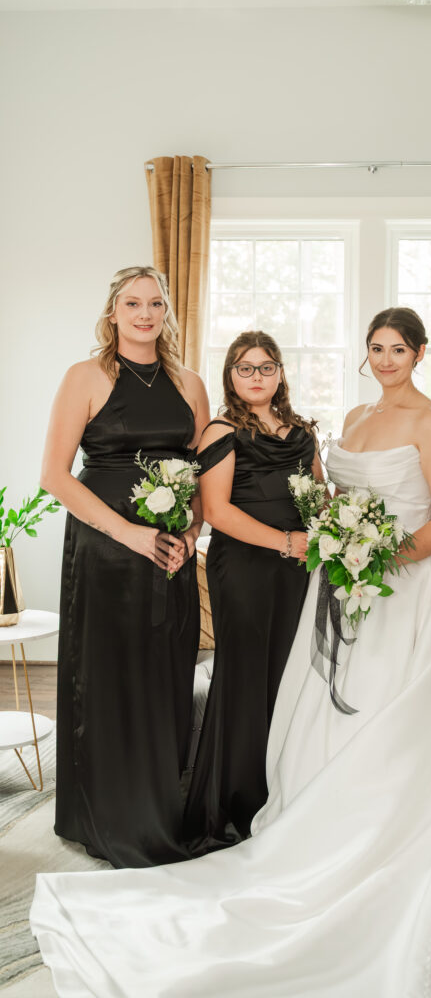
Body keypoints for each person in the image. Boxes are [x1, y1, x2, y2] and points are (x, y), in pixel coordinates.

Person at [30, 308, 431, 996]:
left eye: (398, 347)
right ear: (366, 355)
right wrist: (343, 546)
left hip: (408, 591)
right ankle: (328, 834)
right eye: (376, 347)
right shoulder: (356, 416)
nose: (387, 357)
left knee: (414, 726)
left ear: (419, 353)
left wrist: (384, 558)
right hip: (344, 587)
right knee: (336, 717)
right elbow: (330, 499)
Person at [41, 265, 210, 868]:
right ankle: (102, 814)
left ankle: (159, 806)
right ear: (113, 312)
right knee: (107, 676)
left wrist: (190, 529)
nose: (144, 314)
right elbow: (55, 475)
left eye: (155, 304)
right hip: (105, 548)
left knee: (166, 673)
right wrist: (130, 535)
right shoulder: (84, 377)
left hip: (170, 550)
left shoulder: (189, 383)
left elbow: (200, 474)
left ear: (167, 313)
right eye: (132, 303)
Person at [184, 330, 322, 851]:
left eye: (266, 367)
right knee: (245, 675)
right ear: (231, 376)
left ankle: (280, 792)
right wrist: (287, 543)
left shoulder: (303, 431)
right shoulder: (221, 430)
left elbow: (319, 497)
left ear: (281, 373)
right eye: (245, 368)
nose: (257, 376)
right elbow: (217, 512)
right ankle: (232, 804)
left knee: (289, 675)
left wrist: (338, 530)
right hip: (242, 565)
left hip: (297, 567)